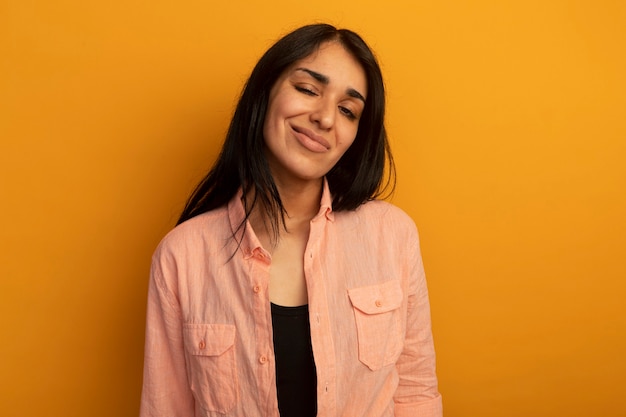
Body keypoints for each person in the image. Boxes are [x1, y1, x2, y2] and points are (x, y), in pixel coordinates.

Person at [140, 23, 442, 417]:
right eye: (307, 89)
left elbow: (416, 394)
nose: (325, 119)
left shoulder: (393, 237)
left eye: (347, 110)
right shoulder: (181, 257)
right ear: (263, 94)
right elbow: (167, 409)